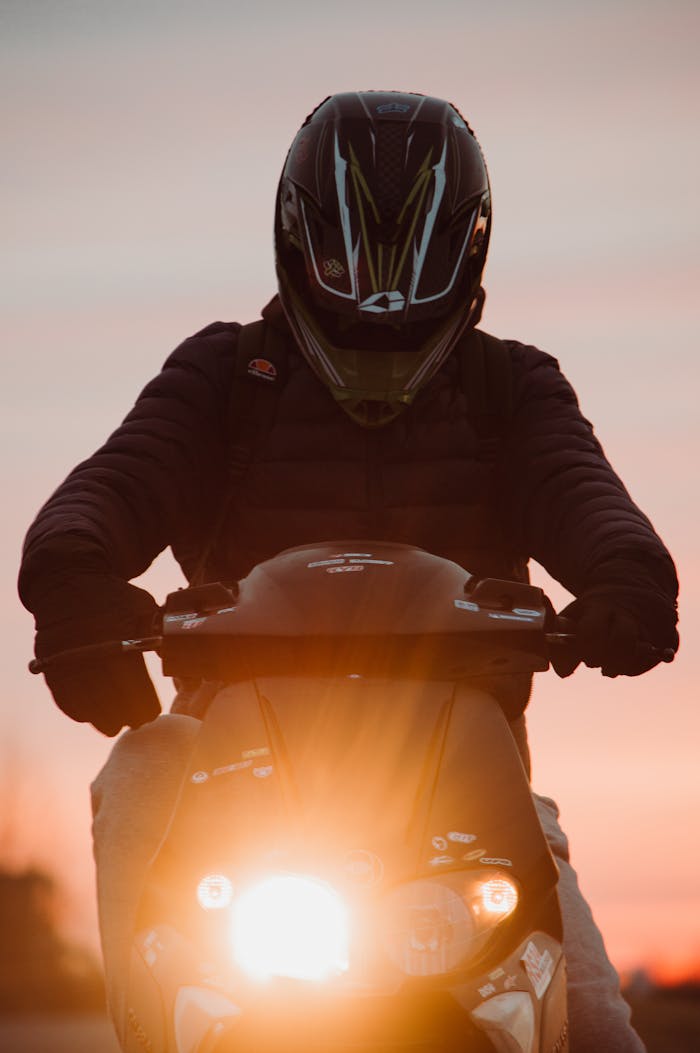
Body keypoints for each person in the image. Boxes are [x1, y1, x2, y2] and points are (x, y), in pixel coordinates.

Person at [19, 92, 677, 1051]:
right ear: (294, 242)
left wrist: (629, 578)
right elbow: (109, 488)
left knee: (598, 1029)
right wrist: (74, 581)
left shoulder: (512, 388)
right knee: (140, 768)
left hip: (466, 779)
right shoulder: (220, 378)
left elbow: (592, 502)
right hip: (226, 769)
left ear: (470, 253)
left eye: (414, 264)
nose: (380, 297)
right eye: (345, 259)